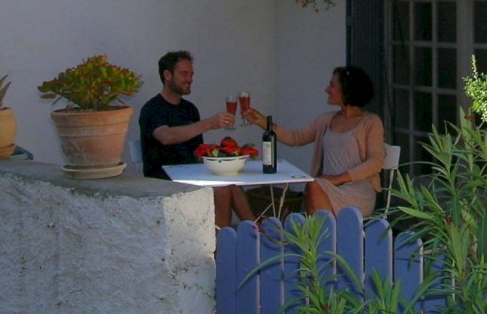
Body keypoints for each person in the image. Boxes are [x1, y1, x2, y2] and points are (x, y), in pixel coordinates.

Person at [243, 65, 384, 217]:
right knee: (314, 186)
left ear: (347, 89)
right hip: (324, 187)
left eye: (332, 85)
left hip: (357, 190)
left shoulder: (371, 122)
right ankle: (324, 237)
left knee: (313, 186)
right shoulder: (326, 120)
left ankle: (320, 236)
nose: (326, 90)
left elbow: (376, 161)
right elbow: (295, 138)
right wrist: (263, 122)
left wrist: (336, 179)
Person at [139, 50, 253, 227]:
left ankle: (255, 231)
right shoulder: (152, 108)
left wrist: (223, 156)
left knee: (231, 181)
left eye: (191, 74)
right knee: (222, 189)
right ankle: (219, 245)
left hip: (192, 175)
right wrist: (208, 123)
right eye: (184, 74)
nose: (190, 79)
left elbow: (197, 151)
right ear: (167, 75)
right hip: (164, 179)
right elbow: (165, 137)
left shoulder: (190, 108)